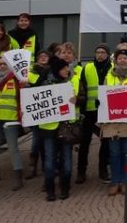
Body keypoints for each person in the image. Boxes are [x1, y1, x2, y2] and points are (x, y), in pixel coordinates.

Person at [38, 56, 80, 201]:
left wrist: (78, 100)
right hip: (49, 128)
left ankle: (65, 187)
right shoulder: (44, 85)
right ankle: (50, 190)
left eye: (67, 67)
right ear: (56, 70)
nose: (66, 70)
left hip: (66, 126)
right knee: (49, 161)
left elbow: (83, 97)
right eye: (63, 68)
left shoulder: (73, 81)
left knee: (67, 161)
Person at [101, 48, 127, 196]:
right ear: (115, 60)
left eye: (125, 58)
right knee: (114, 153)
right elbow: (104, 94)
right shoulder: (108, 76)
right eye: (120, 58)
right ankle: (115, 181)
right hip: (112, 121)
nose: (122, 60)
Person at [0, 57, 24, 191]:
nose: (2, 66)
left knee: (13, 148)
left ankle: (18, 179)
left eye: (4, 64)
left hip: (11, 118)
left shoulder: (15, 78)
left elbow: (21, 97)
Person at [77, 44, 112, 184]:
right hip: (89, 110)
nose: (100, 54)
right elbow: (82, 89)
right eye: (98, 52)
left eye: (103, 52)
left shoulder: (113, 68)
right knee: (84, 142)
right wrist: (83, 104)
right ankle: (81, 171)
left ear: (108, 54)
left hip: (106, 110)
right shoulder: (87, 68)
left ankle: (103, 170)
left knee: (106, 142)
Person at [26, 49, 50, 180]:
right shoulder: (30, 73)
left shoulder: (51, 72)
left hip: (48, 111)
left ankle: (45, 167)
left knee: (46, 141)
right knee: (36, 139)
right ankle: (32, 165)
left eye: (46, 56)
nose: (43, 57)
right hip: (35, 110)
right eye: (41, 56)